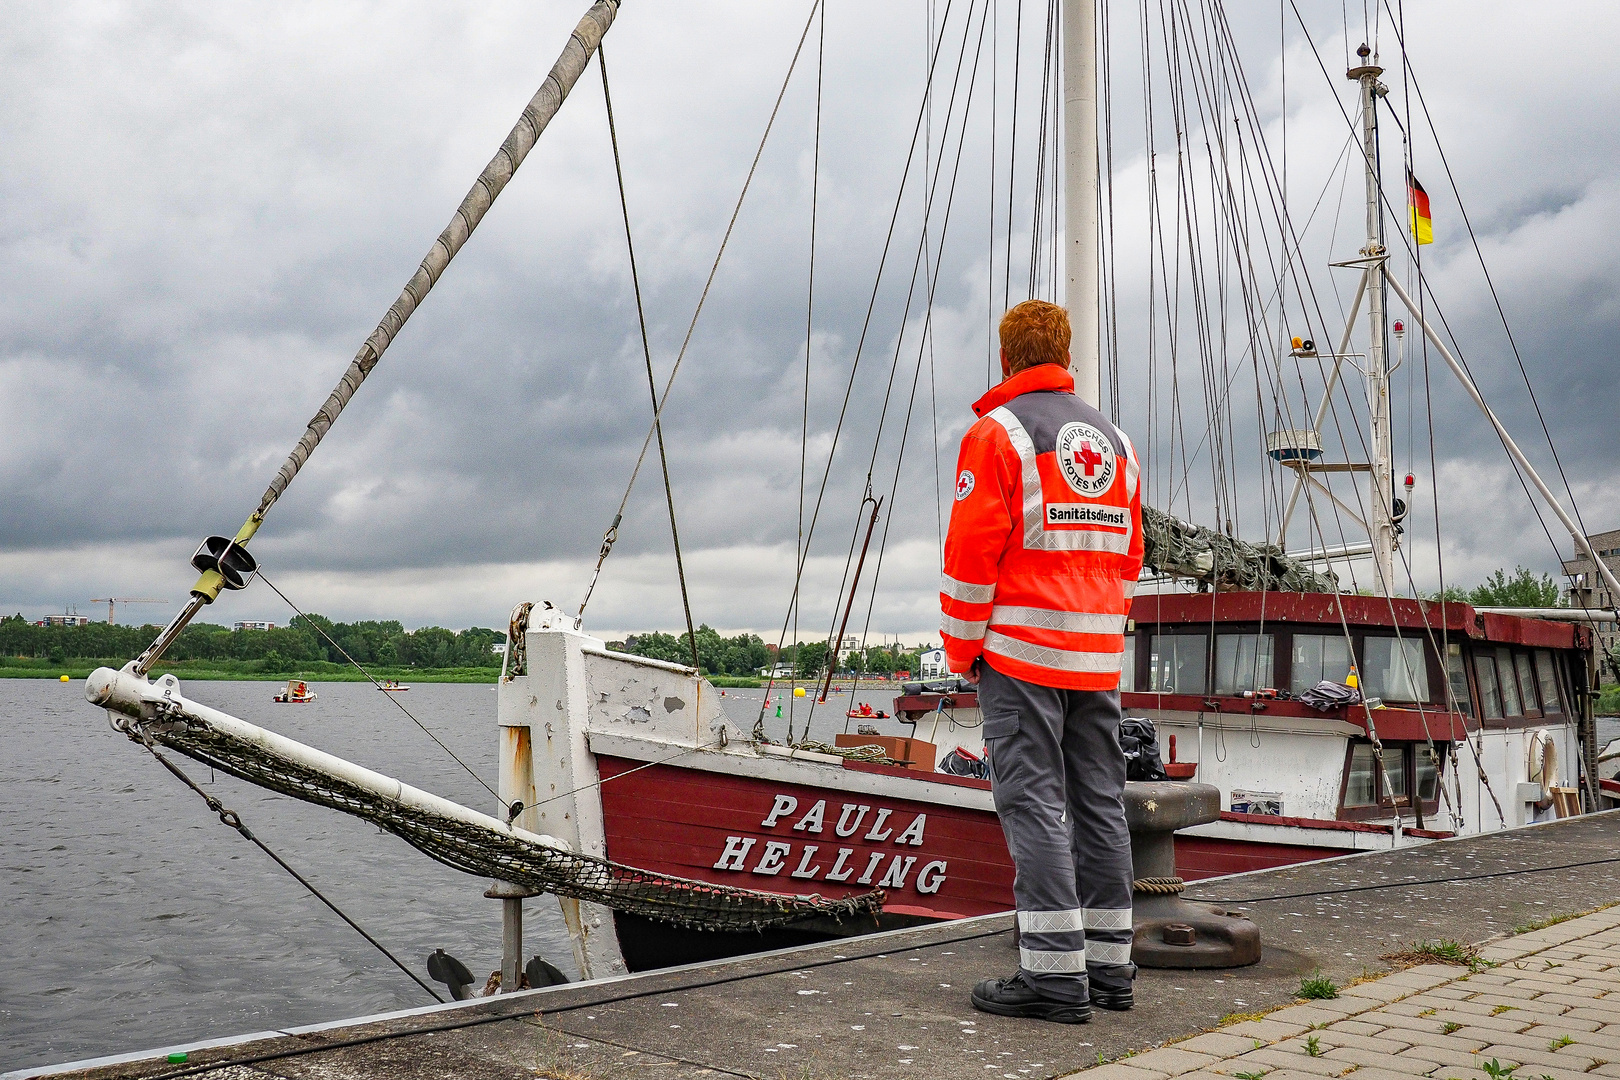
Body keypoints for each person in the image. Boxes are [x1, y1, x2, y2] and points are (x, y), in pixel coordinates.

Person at [939, 299, 1144, 1024]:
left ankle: (1053, 979)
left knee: (1031, 804)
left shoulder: (996, 435)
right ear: (1066, 354)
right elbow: (1130, 558)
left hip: (1022, 652)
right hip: (1096, 655)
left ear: (1005, 360)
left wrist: (964, 651)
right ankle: (1111, 969)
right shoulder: (1115, 442)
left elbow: (971, 558)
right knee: (1098, 801)